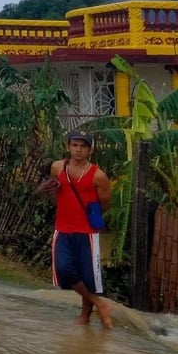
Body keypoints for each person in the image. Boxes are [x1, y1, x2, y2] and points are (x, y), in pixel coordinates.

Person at [35, 130, 113, 328]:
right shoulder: (58, 167)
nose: (79, 150)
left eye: (83, 146)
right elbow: (55, 189)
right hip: (62, 229)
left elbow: (104, 204)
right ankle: (99, 304)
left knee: (88, 278)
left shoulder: (98, 176)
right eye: (75, 145)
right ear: (68, 146)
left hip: (87, 232)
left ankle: (85, 316)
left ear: (90, 150)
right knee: (63, 269)